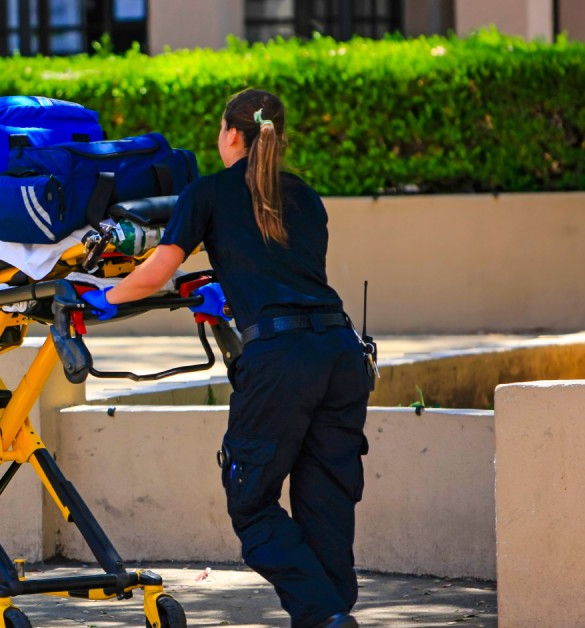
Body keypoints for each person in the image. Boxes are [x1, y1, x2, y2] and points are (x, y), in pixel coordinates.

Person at [82, 89, 371, 628]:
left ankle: (326, 612)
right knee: (326, 500)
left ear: (231, 135)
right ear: (278, 137)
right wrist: (233, 298)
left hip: (282, 362)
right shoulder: (305, 196)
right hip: (340, 351)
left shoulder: (207, 193)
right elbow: (286, 274)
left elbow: (156, 273)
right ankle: (331, 616)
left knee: (251, 503)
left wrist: (102, 295)